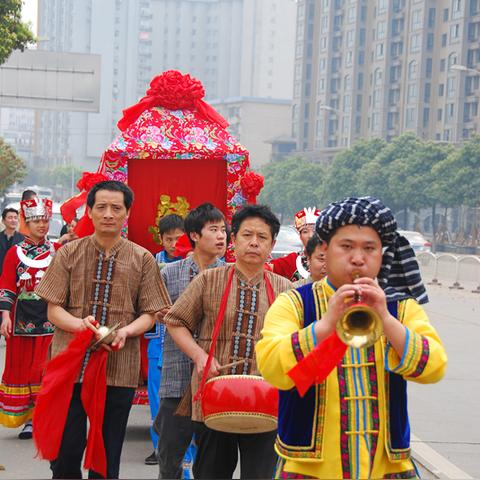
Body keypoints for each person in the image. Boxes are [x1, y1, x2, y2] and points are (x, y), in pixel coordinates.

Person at [256, 196, 448, 479]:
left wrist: (385, 318)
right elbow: (272, 369)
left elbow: (434, 367)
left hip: (386, 469)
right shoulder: (294, 303)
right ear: (324, 248)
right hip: (311, 470)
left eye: (369, 248)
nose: (358, 258)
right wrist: (325, 325)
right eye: (346, 247)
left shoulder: (400, 306)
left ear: (382, 254)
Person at [35, 180, 171, 479]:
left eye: (116, 208)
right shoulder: (68, 253)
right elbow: (53, 308)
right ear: (90, 211)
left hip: (119, 365)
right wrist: (80, 325)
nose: (109, 214)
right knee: (67, 448)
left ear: (127, 213)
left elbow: (150, 314)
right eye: (101, 207)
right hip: (70, 362)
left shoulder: (143, 258)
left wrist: (126, 331)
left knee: (108, 451)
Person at [165, 204, 292, 479]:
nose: (254, 242)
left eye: (262, 237)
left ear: (272, 244)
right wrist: (200, 356)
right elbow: (175, 321)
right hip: (214, 399)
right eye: (247, 235)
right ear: (234, 240)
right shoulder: (209, 279)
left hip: (266, 402)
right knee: (211, 474)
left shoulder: (286, 289)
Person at [154, 203, 227, 478]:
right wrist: (158, 313)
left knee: (212, 462)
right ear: (194, 235)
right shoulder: (169, 273)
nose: (221, 236)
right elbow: (151, 310)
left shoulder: (230, 275)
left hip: (216, 378)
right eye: (213, 229)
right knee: (169, 458)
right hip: (178, 377)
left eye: (223, 230)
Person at [0, 197, 55, 439]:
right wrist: (4, 317)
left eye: (45, 220)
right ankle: (29, 419)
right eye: (36, 221)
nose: (42, 225)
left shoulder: (57, 251)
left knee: (45, 370)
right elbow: (7, 286)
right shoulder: (15, 252)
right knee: (25, 369)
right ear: (27, 223)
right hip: (21, 321)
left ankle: (44, 417)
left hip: (51, 320)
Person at [144, 213, 186, 466]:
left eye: (178, 239)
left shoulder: (195, 263)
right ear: (160, 239)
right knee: (158, 399)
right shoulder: (152, 263)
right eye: (168, 239)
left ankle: (185, 449)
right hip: (158, 340)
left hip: (185, 341)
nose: (173, 244)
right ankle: (158, 445)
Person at [270, 207, 321, 281]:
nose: (310, 235)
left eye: (314, 231)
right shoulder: (292, 261)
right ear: (300, 236)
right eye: (305, 231)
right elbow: (262, 270)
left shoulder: (334, 259)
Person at [0, 208, 24, 276]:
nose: (13, 220)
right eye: (10, 218)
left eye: (15, 218)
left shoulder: (23, 239)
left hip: (16, 276)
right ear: (3, 221)